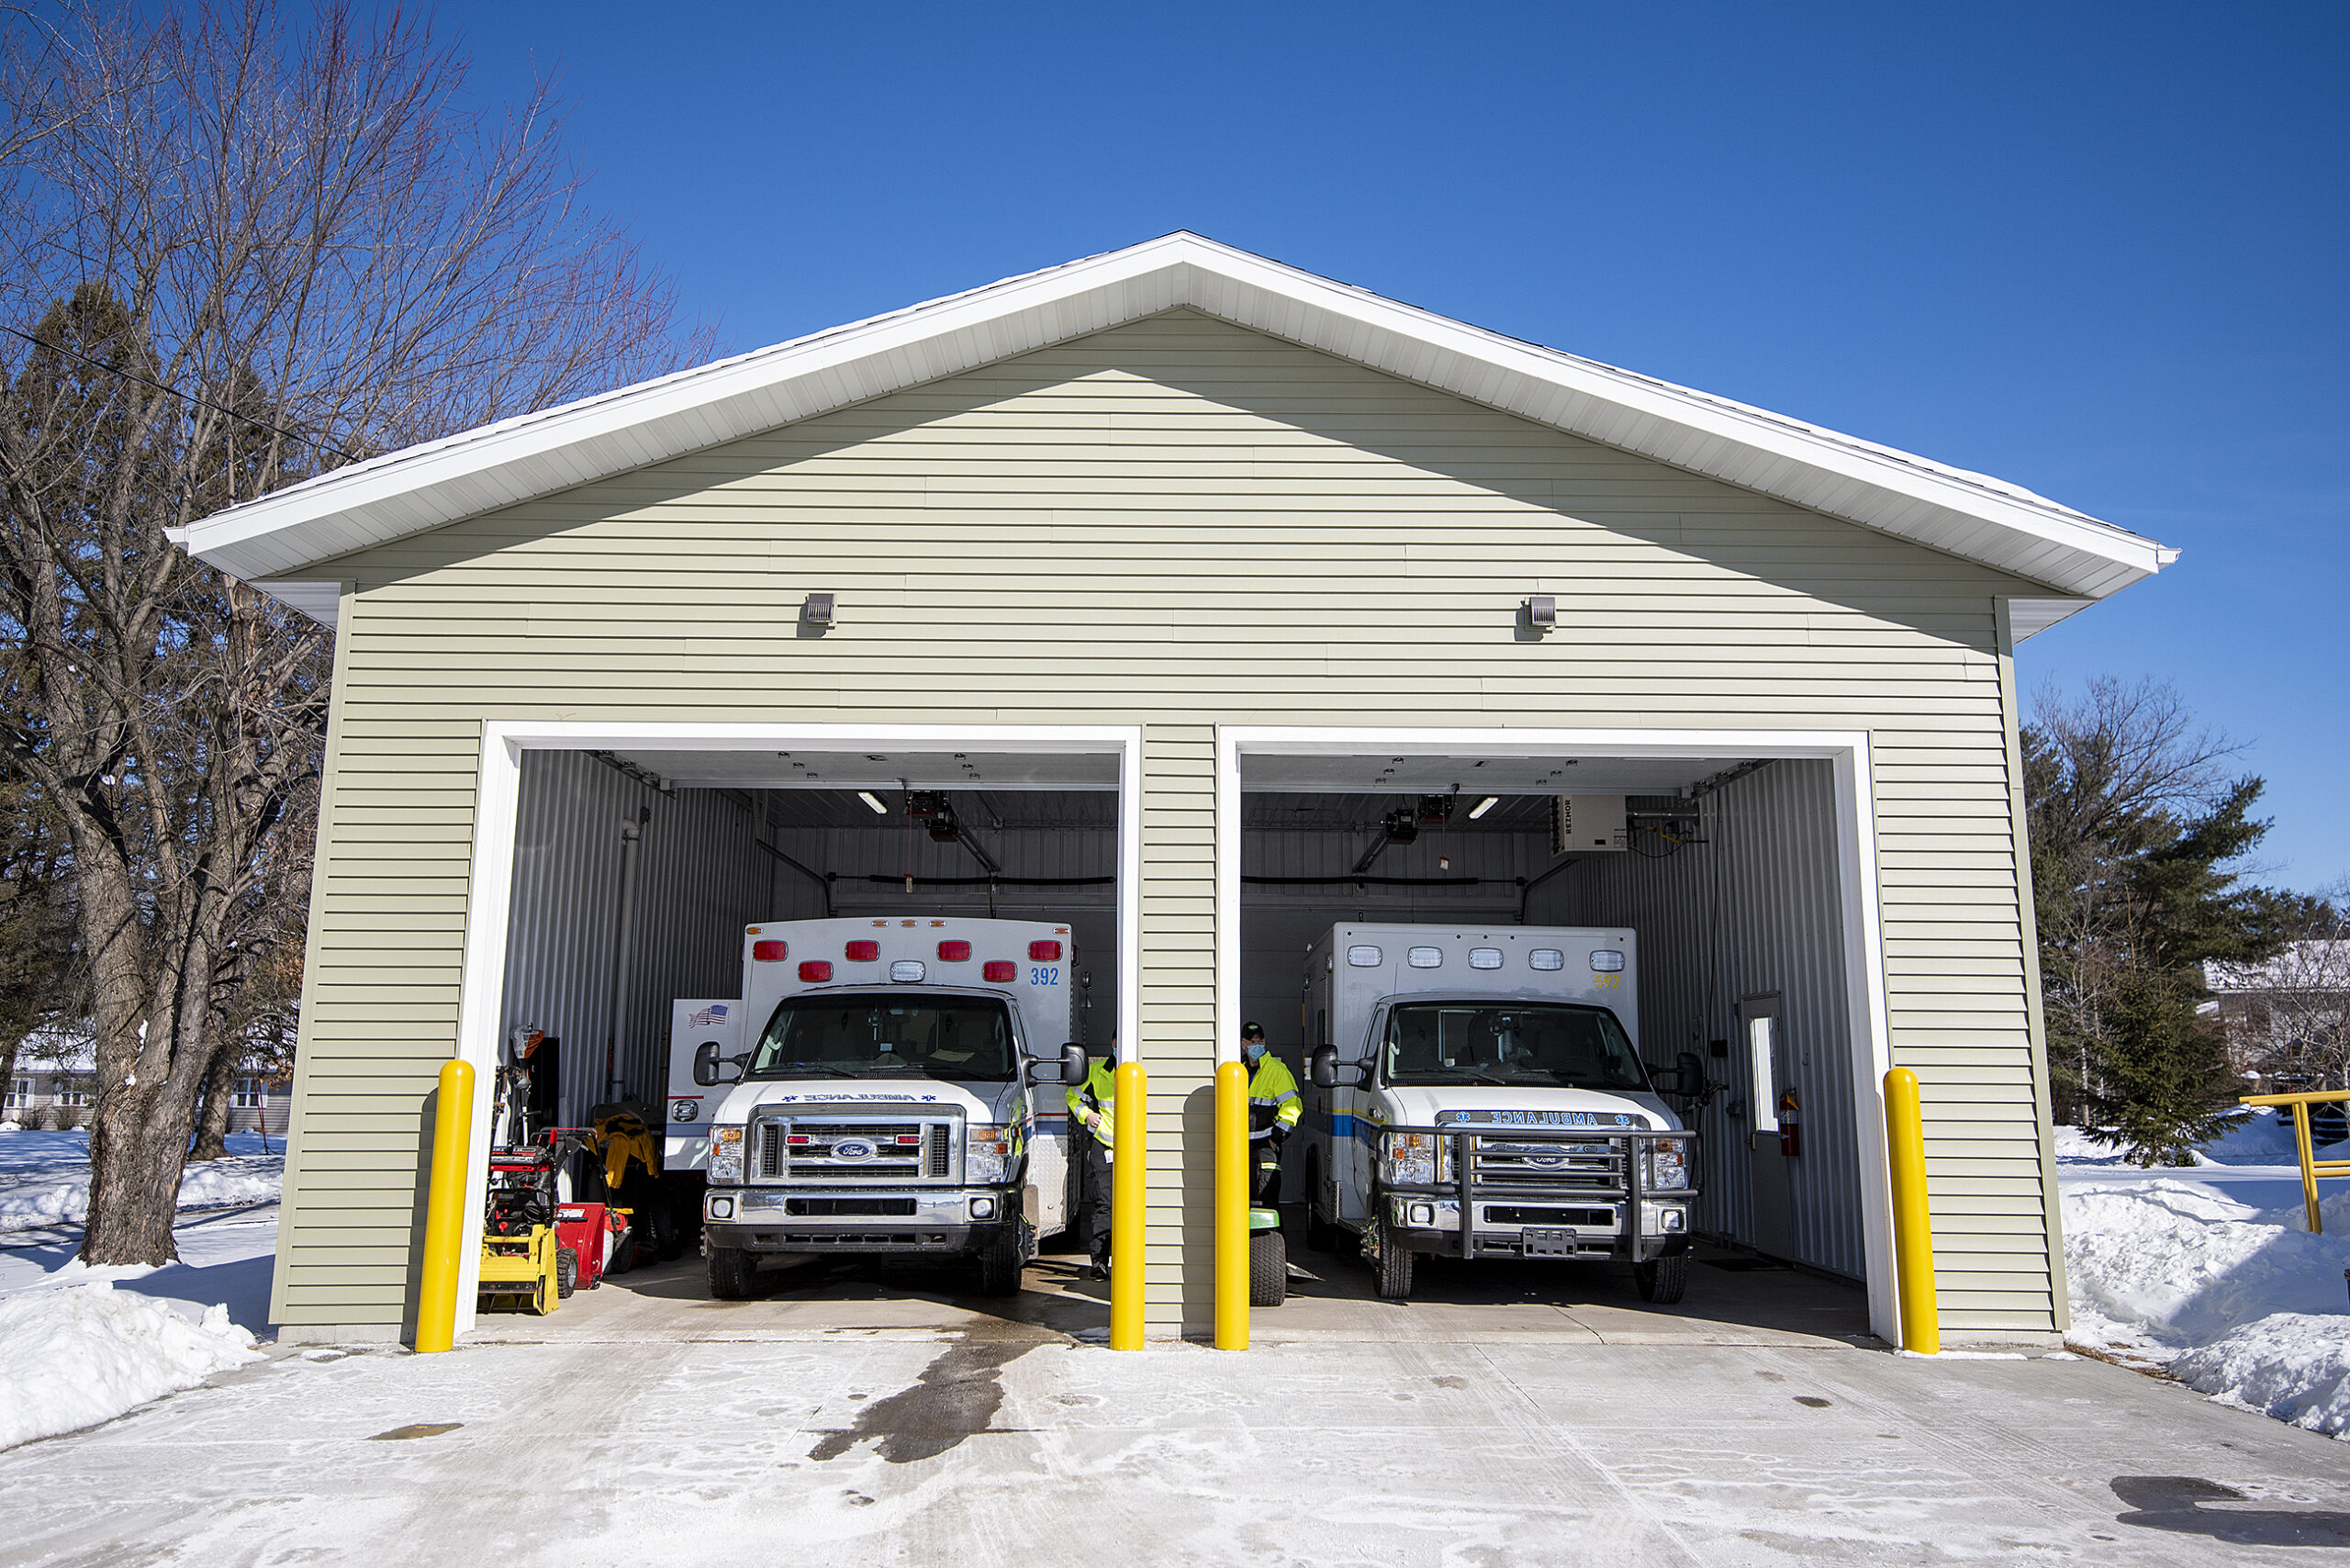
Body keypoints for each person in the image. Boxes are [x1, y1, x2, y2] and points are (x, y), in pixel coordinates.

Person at [1067, 1032, 1118, 1278]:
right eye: (1118, 1041)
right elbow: (1072, 1096)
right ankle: (1099, 1262)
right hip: (1105, 1148)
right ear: (1113, 1044)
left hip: (1138, 1150)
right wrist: (1087, 1115)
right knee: (1106, 1205)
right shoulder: (1097, 1072)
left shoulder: (1142, 1071)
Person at [1242, 1023, 1302, 1212]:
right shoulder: (1238, 1071)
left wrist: (1276, 1138)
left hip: (1265, 1147)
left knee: (1266, 1202)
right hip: (1241, 1147)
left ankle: (1273, 1241)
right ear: (1244, 1044)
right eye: (1252, 1041)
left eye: (1260, 1041)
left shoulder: (1277, 1070)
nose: (1256, 1045)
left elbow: (1292, 1106)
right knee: (1243, 1202)